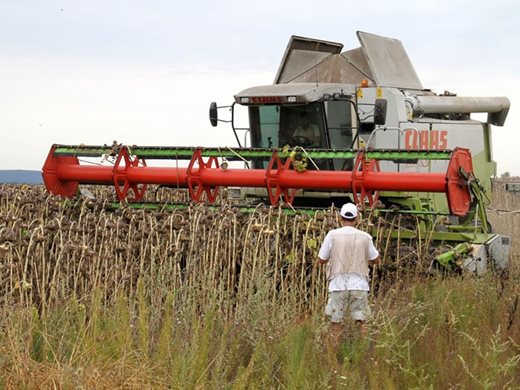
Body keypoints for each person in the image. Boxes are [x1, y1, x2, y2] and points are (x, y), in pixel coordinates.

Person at [316, 203, 380, 349]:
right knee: (361, 321)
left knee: (336, 322)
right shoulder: (366, 237)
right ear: (357, 218)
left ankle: (333, 356)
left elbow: (321, 259)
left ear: (340, 218)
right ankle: (362, 352)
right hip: (359, 285)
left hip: (337, 285)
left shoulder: (332, 235)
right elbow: (376, 259)